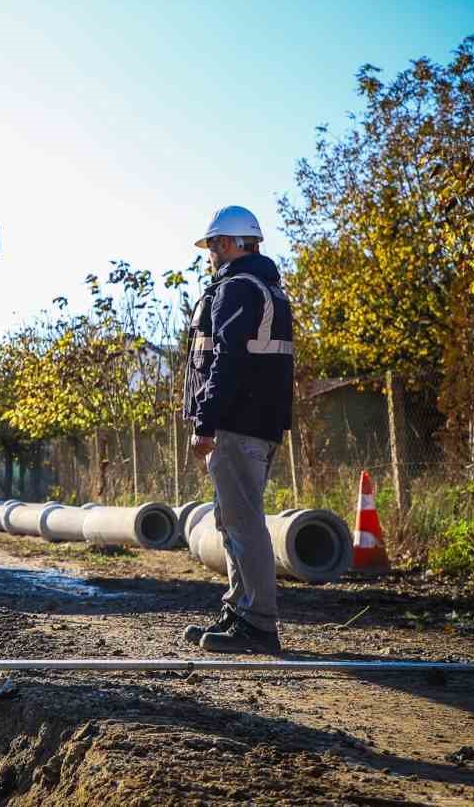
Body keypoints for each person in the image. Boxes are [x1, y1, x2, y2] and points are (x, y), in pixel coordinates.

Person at [181, 205, 294, 656]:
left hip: (237, 425)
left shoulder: (236, 289)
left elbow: (226, 362)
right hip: (257, 423)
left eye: (212, 245)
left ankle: (257, 623)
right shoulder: (266, 289)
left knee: (243, 523)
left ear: (228, 244)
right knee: (231, 520)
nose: (209, 254)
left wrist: (206, 422)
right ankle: (240, 609)